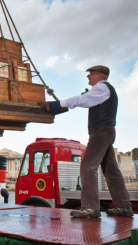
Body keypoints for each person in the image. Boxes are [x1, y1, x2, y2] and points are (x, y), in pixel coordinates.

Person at [42, 65, 133, 218]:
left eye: (91, 74)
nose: (88, 76)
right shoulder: (103, 90)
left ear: (100, 75)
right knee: (111, 171)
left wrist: (56, 104)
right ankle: (124, 207)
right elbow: (87, 100)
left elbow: (81, 100)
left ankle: (90, 208)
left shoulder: (102, 88)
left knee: (88, 166)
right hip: (107, 131)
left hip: (101, 131)